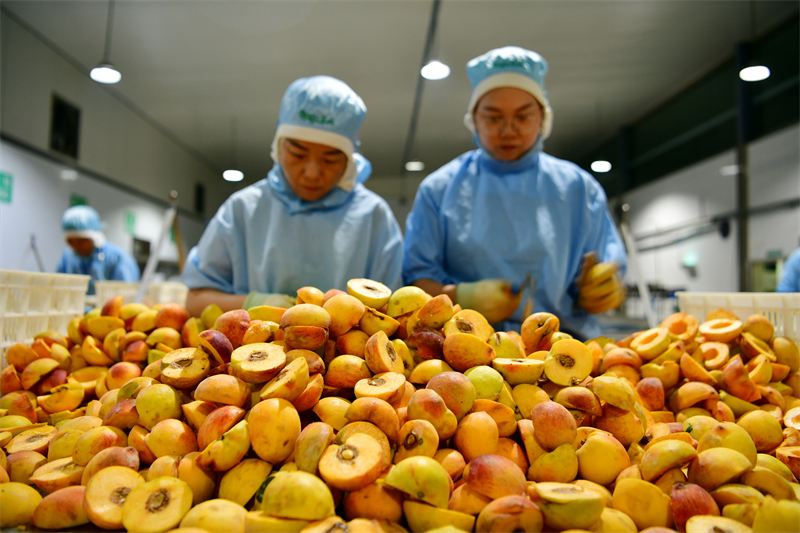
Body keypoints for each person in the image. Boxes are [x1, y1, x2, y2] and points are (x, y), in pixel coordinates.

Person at [403, 46, 627, 339]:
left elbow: (606, 268)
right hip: (467, 354)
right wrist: (462, 296)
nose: (508, 131)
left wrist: (602, 290)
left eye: (523, 117)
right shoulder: (440, 190)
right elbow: (416, 281)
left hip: (565, 351)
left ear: (543, 118)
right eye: (493, 118)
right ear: (474, 119)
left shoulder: (578, 189)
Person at [182, 76, 404, 317]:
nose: (311, 173)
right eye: (298, 154)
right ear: (279, 146)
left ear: (350, 160)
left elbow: (395, 311)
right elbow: (195, 299)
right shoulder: (242, 209)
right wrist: (254, 303)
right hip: (251, 352)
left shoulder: (374, 217)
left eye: (330, 159)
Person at [56, 205, 140, 295]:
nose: (76, 246)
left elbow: (125, 295)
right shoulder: (67, 257)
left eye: (81, 240)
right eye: (71, 241)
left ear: (93, 237)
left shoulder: (118, 258)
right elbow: (58, 287)